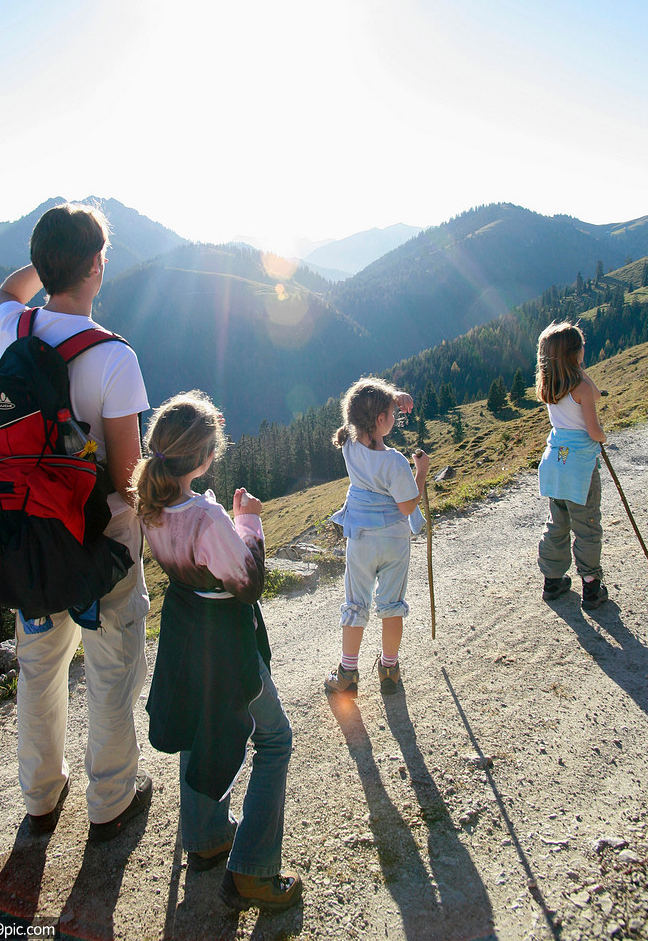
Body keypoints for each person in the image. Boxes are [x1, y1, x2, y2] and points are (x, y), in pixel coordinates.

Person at [0, 202, 152, 843]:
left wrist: (45, 265)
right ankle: (109, 802)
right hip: (99, 542)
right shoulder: (115, 358)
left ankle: (39, 796)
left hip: (29, 534)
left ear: (44, 264)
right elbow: (124, 477)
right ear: (97, 267)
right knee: (111, 666)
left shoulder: (14, 329)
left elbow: (6, 290)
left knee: (39, 664)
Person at [132, 391, 302, 913]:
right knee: (274, 740)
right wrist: (247, 521)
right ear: (206, 458)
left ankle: (205, 837)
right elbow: (247, 581)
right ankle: (252, 870)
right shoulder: (207, 518)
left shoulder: (153, 503)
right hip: (226, 639)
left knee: (197, 722)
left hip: (186, 629)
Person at [325, 377, 430, 696]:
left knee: (356, 603)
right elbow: (407, 504)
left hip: (360, 536)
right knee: (391, 605)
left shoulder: (348, 444)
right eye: (391, 413)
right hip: (394, 541)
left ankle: (347, 672)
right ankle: (389, 669)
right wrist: (422, 471)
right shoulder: (395, 462)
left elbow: (355, 412)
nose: (395, 417)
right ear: (382, 420)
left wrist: (390, 397)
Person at [535, 321, 609, 610]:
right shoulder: (581, 388)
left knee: (558, 521)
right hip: (579, 466)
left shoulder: (551, 385)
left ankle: (553, 580)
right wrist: (603, 437)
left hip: (556, 461)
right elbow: (593, 430)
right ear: (575, 353)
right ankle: (591, 586)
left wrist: (577, 368)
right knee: (587, 524)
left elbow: (598, 393)